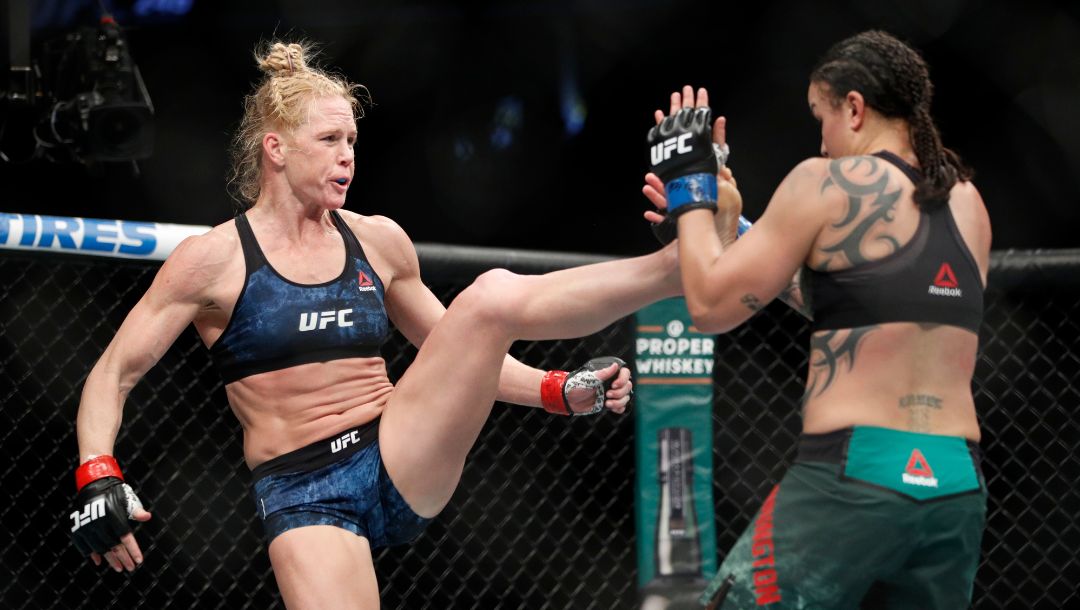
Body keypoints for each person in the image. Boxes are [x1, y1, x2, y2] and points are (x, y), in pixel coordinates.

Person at [69, 40, 684, 608]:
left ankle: (673, 267)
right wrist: (98, 473)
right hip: (301, 488)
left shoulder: (377, 241)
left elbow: (461, 351)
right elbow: (113, 374)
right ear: (276, 149)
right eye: (330, 140)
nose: (347, 156)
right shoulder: (213, 260)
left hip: (395, 447)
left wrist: (557, 390)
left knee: (488, 299)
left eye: (353, 141)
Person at [641, 30, 991, 609]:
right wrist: (735, 232)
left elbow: (709, 306)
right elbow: (854, 301)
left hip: (855, 476)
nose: (821, 143)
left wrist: (690, 187)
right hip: (956, 485)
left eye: (819, 118)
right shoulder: (966, 203)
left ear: (853, 108)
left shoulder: (823, 182)